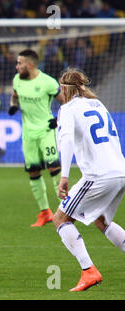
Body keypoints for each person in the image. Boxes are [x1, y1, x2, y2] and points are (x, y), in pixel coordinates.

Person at [53, 68, 125, 292]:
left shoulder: (68, 109)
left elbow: (66, 141)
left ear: (65, 89)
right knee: (101, 220)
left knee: (61, 218)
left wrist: (64, 176)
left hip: (99, 176)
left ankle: (88, 271)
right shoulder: (98, 105)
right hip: (120, 171)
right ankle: (89, 271)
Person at [8, 49, 65, 227]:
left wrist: (58, 119)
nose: (17, 67)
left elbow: (67, 103)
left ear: (30, 65)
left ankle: (65, 210)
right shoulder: (17, 80)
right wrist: (13, 106)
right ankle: (45, 212)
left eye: (20, 63)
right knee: (33, 172)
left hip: (46, 131)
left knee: (55, 169)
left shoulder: (48, 82)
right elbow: (14, 96)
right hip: (28, 134)